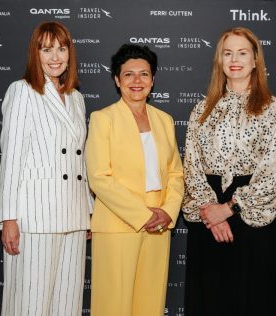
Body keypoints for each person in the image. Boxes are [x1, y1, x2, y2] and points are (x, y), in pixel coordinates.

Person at [182, 27, 276, 316]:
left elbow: (275, 173)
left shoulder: (275, 110)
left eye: (242, 52)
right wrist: (211, 210)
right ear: (219, 60)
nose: (235, 59)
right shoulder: (201, 110)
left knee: (253, 301)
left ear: (256, 60)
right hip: (207, 224)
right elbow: (192, 166)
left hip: (254, 224)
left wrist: (230, 208)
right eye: (227, 53)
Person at [0, 21, 93, 316]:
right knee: (30, 305)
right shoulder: (22, 91)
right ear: (35, 54)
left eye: (62, 49)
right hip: (35, 218)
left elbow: (80, 159)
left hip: (73, 217)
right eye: (47, 49)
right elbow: (11, 157)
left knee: (67, 305)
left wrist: (87, 210)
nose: (55, 57)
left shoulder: (76, 98)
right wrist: (8, 217)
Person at [85, 44, 184, 316]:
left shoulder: (164, 120)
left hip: (159, 228)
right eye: (128, 75)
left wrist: (167, 212)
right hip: (119, 226)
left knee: (150, 305)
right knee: (113, 306)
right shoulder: (103, 119)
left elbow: (175, 173)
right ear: (117, 80)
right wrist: (142, 214)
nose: (136, 81)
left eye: (143, 74)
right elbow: (99, 178)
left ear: (153, 80)